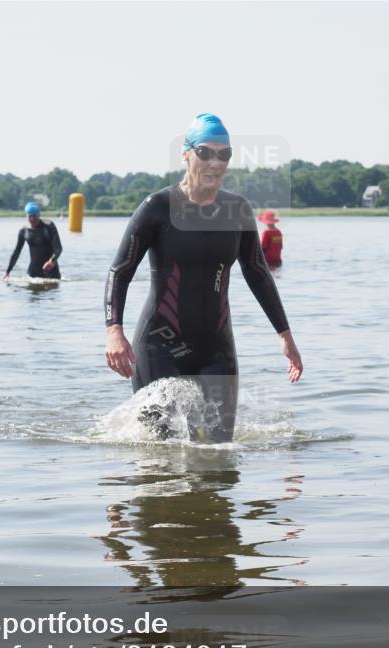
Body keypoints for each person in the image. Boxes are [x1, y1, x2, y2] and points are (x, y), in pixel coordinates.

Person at [104, 113, 303, 443]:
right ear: (185, 154)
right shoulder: (158, 207)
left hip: (216, 351)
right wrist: (114, 332)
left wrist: (285, 335)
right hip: (159, 347)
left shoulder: (237, 211)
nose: (215, 162)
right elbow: (120, 270)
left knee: (219, 454)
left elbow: (258, 273)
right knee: (161, 452)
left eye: (224, 154)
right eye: (205, 152)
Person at [2, 202, 62, 282]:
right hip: (33, 272)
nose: (32, 219)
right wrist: (7, 271)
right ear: (26, 216)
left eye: (34, 216)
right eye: (30, 216)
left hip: (51, 270)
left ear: (39, 215)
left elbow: (58, 248)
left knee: (51, 291)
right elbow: (17, 252)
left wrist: (52, 261)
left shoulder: (49, 226)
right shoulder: (24, 231)